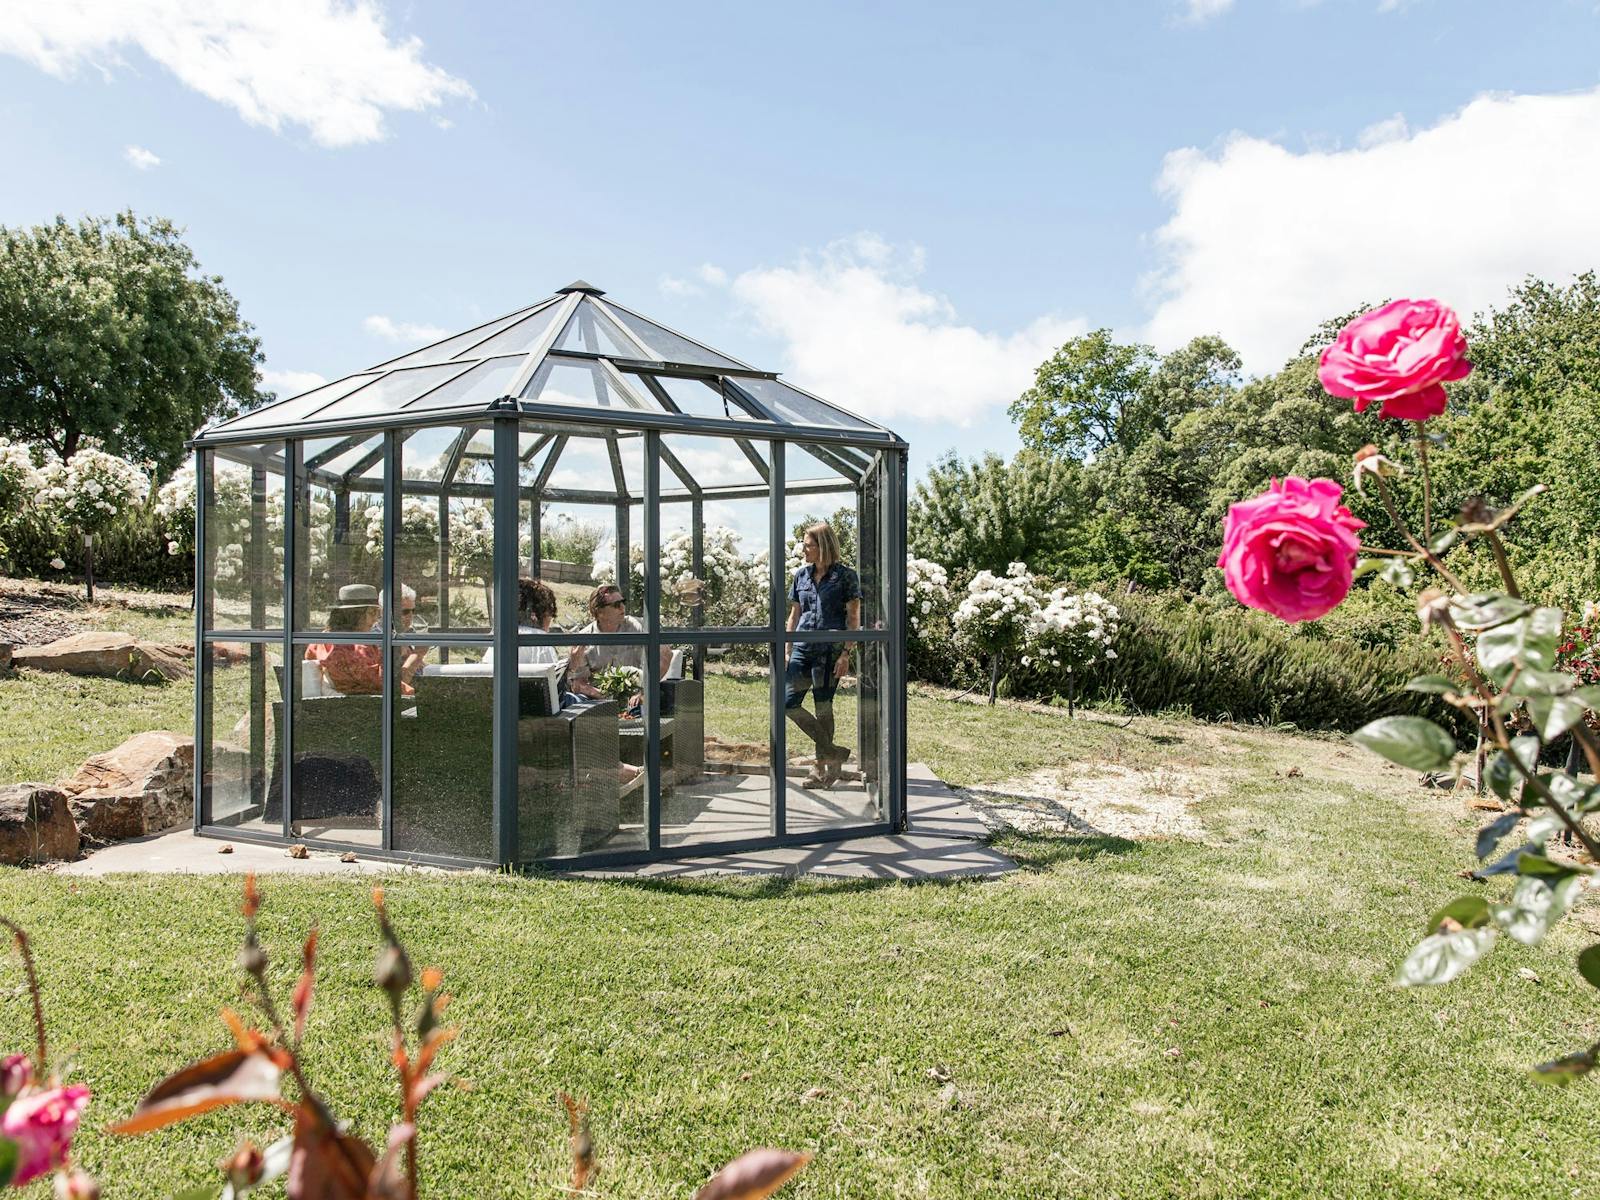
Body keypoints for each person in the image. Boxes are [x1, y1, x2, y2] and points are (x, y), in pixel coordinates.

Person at [785, 521, 861, 787]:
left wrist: (845, 654)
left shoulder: (846, 576)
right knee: (787, 702)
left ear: (823, 547)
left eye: (808, 546)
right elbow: (794, 614)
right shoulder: (801, 576)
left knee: (823, 707)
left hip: (830, 653)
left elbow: (853, 617)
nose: (804, 550)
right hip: (802, 649)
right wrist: (788, 647)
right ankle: (833, 752)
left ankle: (820, 769)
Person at [305, 583, 417, 697]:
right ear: (355, 615)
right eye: (372, 613)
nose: (375, 620)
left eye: (377, 613)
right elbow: (380, 681)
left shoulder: (321, 640)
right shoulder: (352, 647)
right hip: (365, 704)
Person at [569, 583, 672, 704]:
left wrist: (645, 692)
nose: (622, 607)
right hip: (600, 704)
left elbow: (666, 654)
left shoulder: (637, 626)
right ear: (599, 611)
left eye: (623, 602)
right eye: (616, 605)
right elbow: (578, 684)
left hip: (638, 700)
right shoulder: (584, 639)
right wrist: (604, 696)